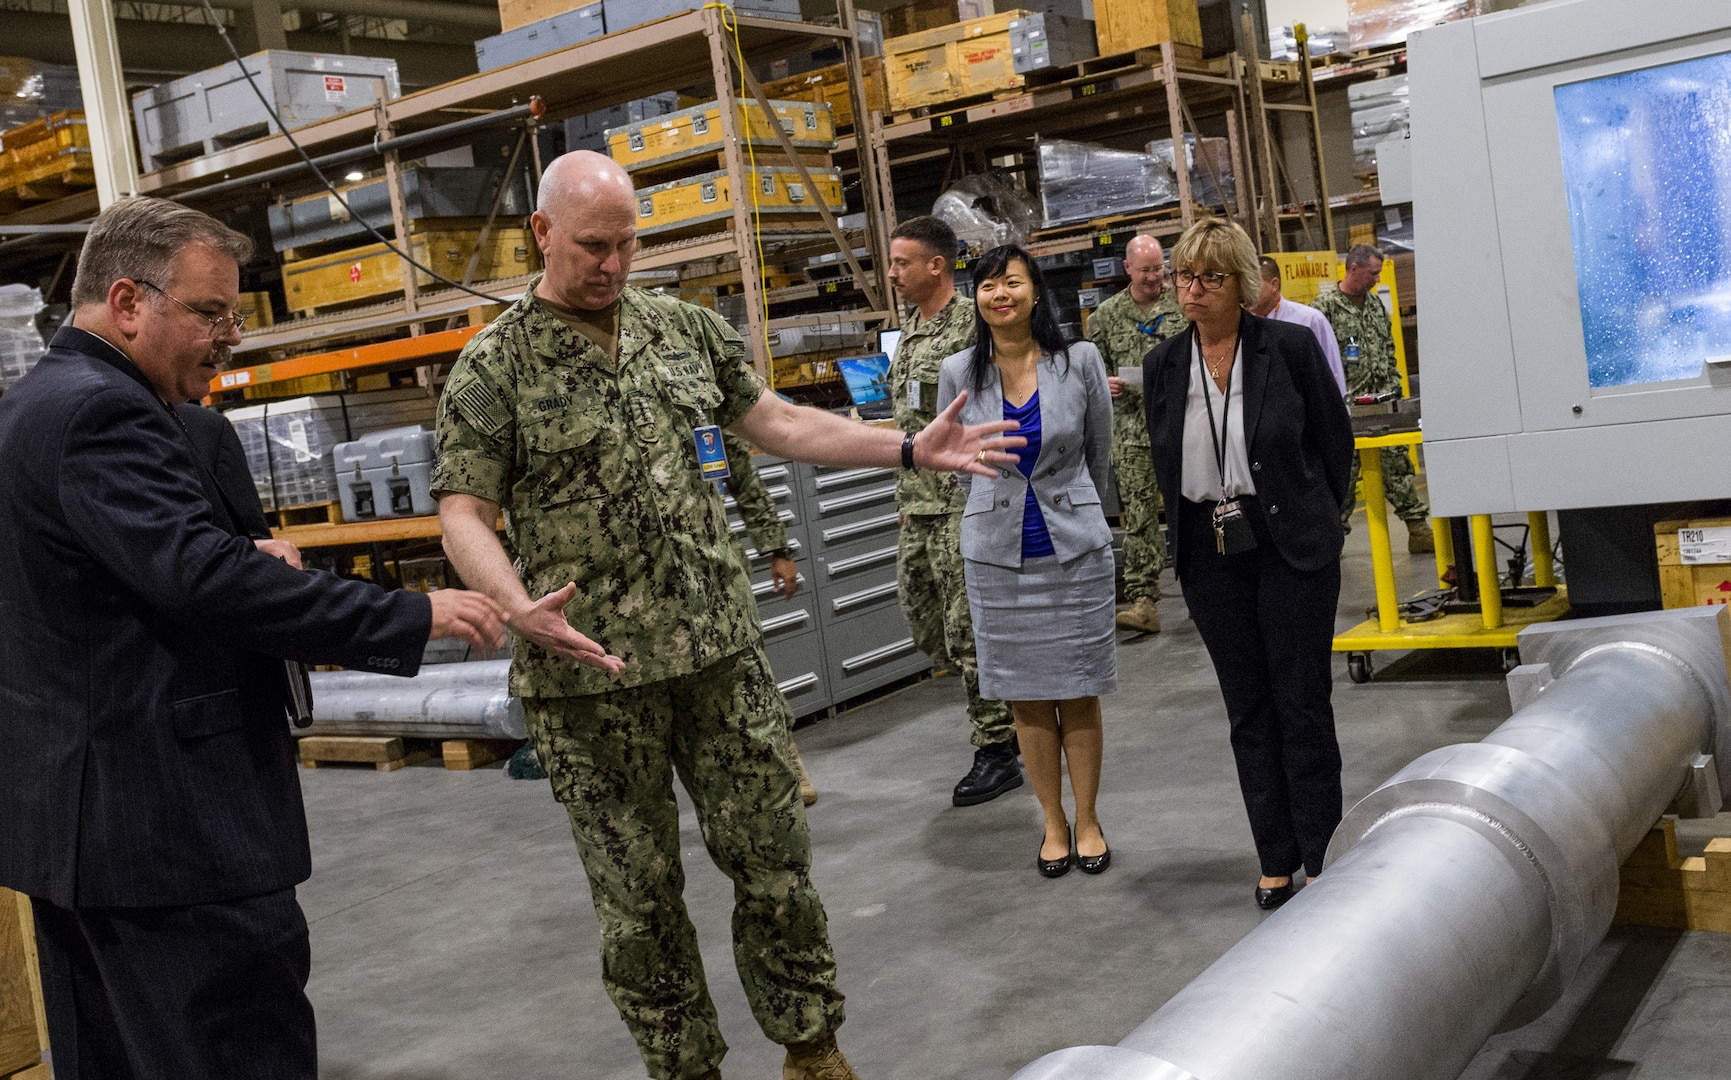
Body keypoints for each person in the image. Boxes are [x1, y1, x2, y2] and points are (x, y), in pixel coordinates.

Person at [432, 150, 1020, 1080]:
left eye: (628, 244)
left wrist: (906, 448)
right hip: (590, 680)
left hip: (716, 655)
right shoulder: (491, 368)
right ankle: (686, 1069)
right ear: (542, 234)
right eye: (593, 246)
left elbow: (779, 424)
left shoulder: (682, 329)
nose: (614, 265)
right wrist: (511, 604)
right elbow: (463, 509)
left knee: (776, 864)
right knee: (639, 903)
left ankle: (811, 1047)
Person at [0, 195, 506, 1080]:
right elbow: (208, 583)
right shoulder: (101, 413)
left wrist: (226, 550)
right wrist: (413, 614)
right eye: (208, 312)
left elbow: (113, 576)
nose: (230, 333)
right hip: (168, 832)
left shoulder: (34, 405)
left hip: (82, 830)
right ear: (127, 302)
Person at [1143, 218, 1354, 911]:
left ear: (1240, 284)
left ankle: (1322, 852)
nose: (1192, 289)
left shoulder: (1288, 348)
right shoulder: (1163, 365)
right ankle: (1274, 855)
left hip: (1290, 545)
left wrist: (1324, 522)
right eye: (1184, 275)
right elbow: (1161, 458)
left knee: (1301, 700)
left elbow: (1335, 444)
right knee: (1248, 708)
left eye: (1209, 276)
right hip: (1209, 552)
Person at [937, 245, 1117, 879]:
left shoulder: (1081, 361)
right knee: (1025, 698)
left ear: (1035, 292)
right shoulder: (958, 371)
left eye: (1010, 282)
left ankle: (1089, 817)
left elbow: (1100, 451)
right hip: (997, 556)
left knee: (1079, 688)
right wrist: (996, 508)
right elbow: (957, 465)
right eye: (987, 286)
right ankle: (1052, 821)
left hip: (1074, 546)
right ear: (977, 299)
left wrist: (1091, 516)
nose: (999, 294)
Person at [885, 215, 1022, 806]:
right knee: (925, 621)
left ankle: (999, 747)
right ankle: (1013, 708)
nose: (891, 273)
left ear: (936, 266)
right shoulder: (910, 331)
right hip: (916, 504)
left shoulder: (974, 324)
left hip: (963, 503)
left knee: (969, 631)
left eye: (900, 263)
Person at [1086, 233, 1187, 636]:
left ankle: (1205, 585)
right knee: (1140, 518)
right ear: (1127, 268)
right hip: (1130, 431)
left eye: (1159, 268)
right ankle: (1144, 600)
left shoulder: (1183, 304)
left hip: (1182, 424)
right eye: (1145, 270)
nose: (1153, 277)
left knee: (1194, 508)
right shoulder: (1105, 317)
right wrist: (1104, 384)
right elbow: (1093, 372)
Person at [1310, 243, 1433, 553]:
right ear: (1354, 269)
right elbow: (1314, 361)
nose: (1378, 278)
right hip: (1346, 411)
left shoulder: (1376, 305)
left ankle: (1418, 529)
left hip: (1382, 407)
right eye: (1373, 273)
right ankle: (1329, 540)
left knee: (1397, 467)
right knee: (1341, 478)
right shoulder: (1323, 308)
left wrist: (1394, 389)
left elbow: (1388, 349)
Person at [722, 428, 819, 806]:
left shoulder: (692, 407)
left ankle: (787, 759)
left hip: (715, 572)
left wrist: (777, 549)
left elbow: (744, 483)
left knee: (750, 670)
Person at [1247, 256, 1346, 394]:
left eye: (1253, 285)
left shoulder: (1309, 320)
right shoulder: (1244, 326)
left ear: (1274, 285)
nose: (1247, 292)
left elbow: (1333, 373)